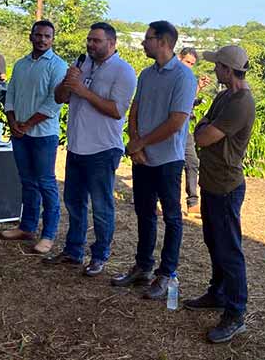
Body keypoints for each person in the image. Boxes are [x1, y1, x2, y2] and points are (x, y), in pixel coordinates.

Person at [111, 20, 196, 300]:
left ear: (162, 42)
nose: (143, 43)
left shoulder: (184, 77)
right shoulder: (146, 74)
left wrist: (141, 143)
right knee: (144, 213)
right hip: (142, 158)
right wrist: (135, 143)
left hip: (168, 159)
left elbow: (177, 121)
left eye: (147, 38)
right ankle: (143, 267)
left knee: (172, 218)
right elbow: (135, 109)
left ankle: (166, 273)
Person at [46, 22, 137, 277]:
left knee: (101, 206)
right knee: (74, 202)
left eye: (96, 41)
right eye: (89, 40)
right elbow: (59, 98)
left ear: (112, 43)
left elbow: (117, 110)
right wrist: (68, 82)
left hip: (103, 149)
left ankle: (99, 256)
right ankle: (73, 251)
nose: (90, 45)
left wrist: (84, 91)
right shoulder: (82, 64)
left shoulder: (124, 71)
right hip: (76, 146)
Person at [184, 45, 255, 344]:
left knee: (229, 250)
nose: (213, 70)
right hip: (213, 183)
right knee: (215, 242)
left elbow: (202, 134)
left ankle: (236, 313)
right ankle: (218, 292)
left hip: (226, 186)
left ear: (227, 69)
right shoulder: (225, 96)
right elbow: (202, 127)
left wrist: (204, 126)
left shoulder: (240, 103)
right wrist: (204, 125)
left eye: (217, 66)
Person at [0, 21, 68, 255]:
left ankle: (48, 234)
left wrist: (28, 124)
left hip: (43, 135)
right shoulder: (21, 64)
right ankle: (27, 227)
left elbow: (54, 101)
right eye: (38, 35)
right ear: (31, 36)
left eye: (47, 36)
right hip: (20, 134)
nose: (42, 40)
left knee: (46, 183)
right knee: (27, 182)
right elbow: (11, 95)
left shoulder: (58, 65)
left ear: (52, 39)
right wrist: (12, 122)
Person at [178, 46, 212, 216]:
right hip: (167, 130)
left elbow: (187, 101)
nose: (189, 66)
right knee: (167, 165)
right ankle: (158, 200)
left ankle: (192, 202)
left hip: (184, 129)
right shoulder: (170, 77)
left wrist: (198, 86)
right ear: (179, 58)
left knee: (192, 163)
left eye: (192, 63)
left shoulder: (189, 79)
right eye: (187, 62)